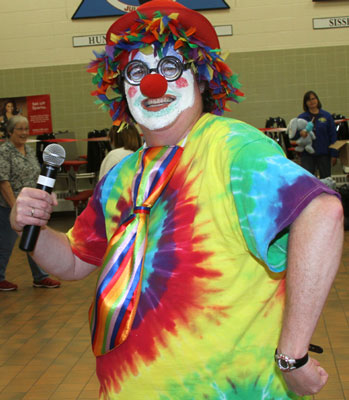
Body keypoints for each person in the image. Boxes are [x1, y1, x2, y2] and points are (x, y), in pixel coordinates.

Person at [10, 1, 343, 399]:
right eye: (137, 71)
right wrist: (34, 227)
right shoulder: (121, 174)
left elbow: (322, 211)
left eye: (170, 67)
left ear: (202, 80)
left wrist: (293, 355)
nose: (153, 85)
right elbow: (77, 260)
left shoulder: (231, 147)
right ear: (122, 89)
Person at [0, 115, 61, 291]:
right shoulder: (4, 151)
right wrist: (15, 208)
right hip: (9, 207)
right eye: (20, 129)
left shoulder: (29, 149)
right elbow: (3, 181)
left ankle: (40, 277)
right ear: (10, 131)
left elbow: (36, 176)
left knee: (33, 240)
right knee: (5, 244)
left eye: (26, 129)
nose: (25, 132)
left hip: (30, 206)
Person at [297, 90, 337, 178]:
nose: (312, 101)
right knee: (308, 181)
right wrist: (300, 133)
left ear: (317, 100)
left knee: (326, 181)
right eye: (309, 100)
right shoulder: (301, 118)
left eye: (313, 99)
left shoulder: (327, 116)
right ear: (305, 103)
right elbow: (294, 135)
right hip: (307, 155)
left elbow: (333, 136)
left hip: (324, 154)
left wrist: (334, 154)